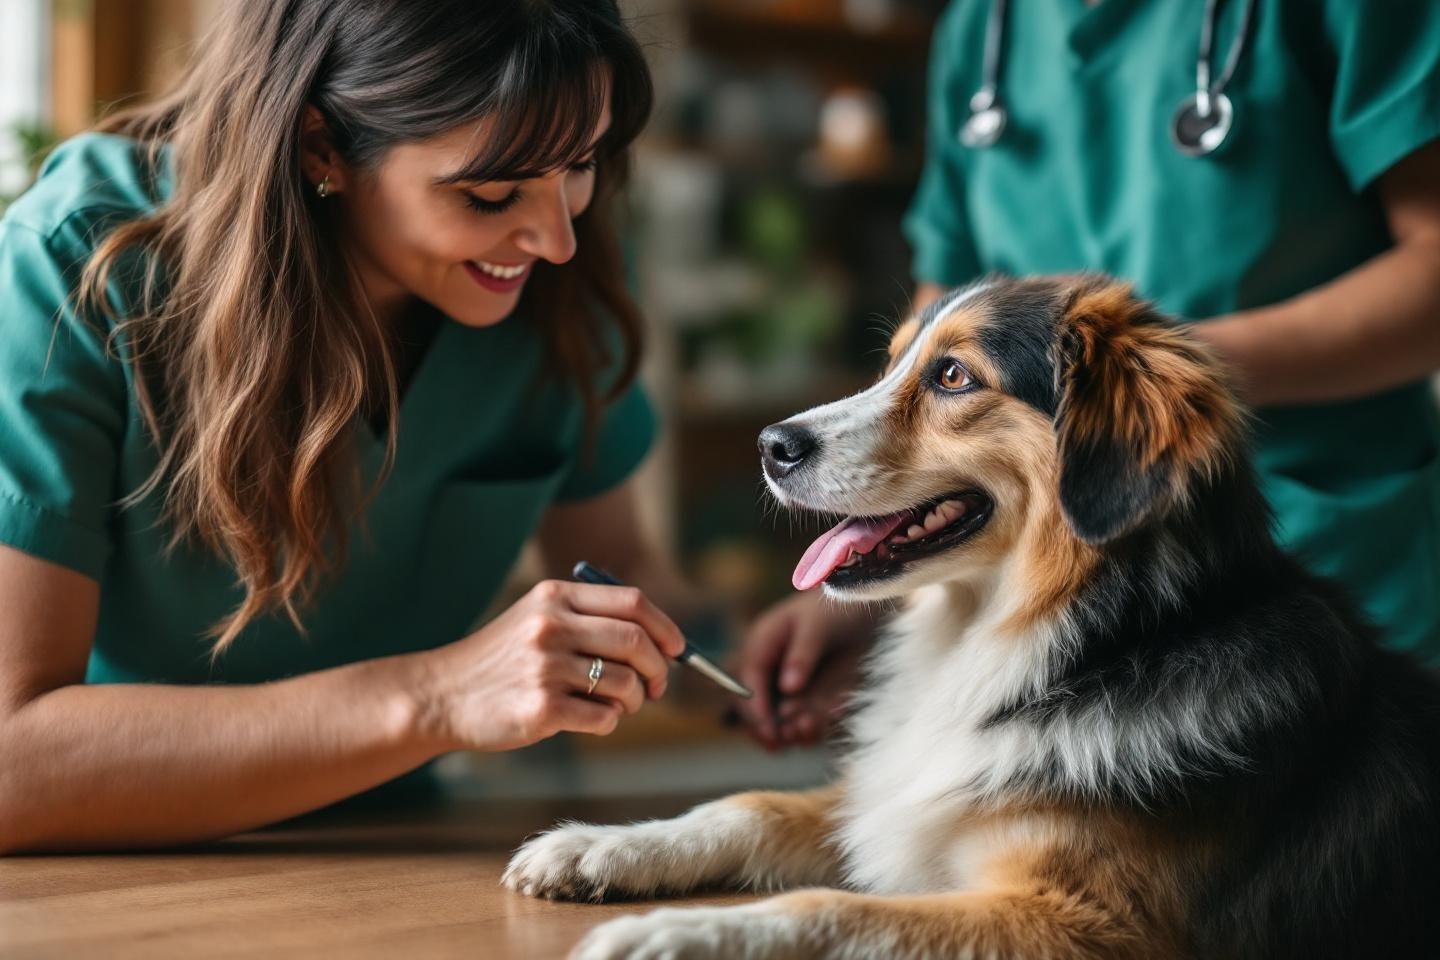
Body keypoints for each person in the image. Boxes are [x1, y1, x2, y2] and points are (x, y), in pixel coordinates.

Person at [0, 0, 834, 854]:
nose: (556, 240)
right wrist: (441, 697)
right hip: (123, 870)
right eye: (491, 193)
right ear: (321, 145)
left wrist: (755, 659)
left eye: (580, 163)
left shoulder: (555, 294)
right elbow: (13, 765)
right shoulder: (75, 268)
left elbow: (625, 581)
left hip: (401, 851)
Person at [734, 0, 1440, 747]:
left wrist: (1138, 387)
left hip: (1319, 558)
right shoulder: (983, 24)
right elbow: (947, 324)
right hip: (1033, 600)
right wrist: (887, 569)